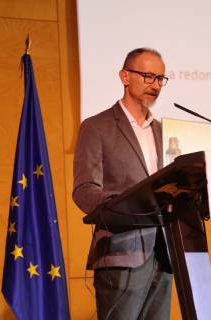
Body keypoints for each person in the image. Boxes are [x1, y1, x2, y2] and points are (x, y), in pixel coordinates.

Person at [73, 48, 172, 319]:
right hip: (121, 250)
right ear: (125, 76)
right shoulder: (97, 127)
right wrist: (123, 207)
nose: (155, 85)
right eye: (148, 75)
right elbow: (85, 190)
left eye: (161, 79)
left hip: (164, 254)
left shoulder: (166, 132)